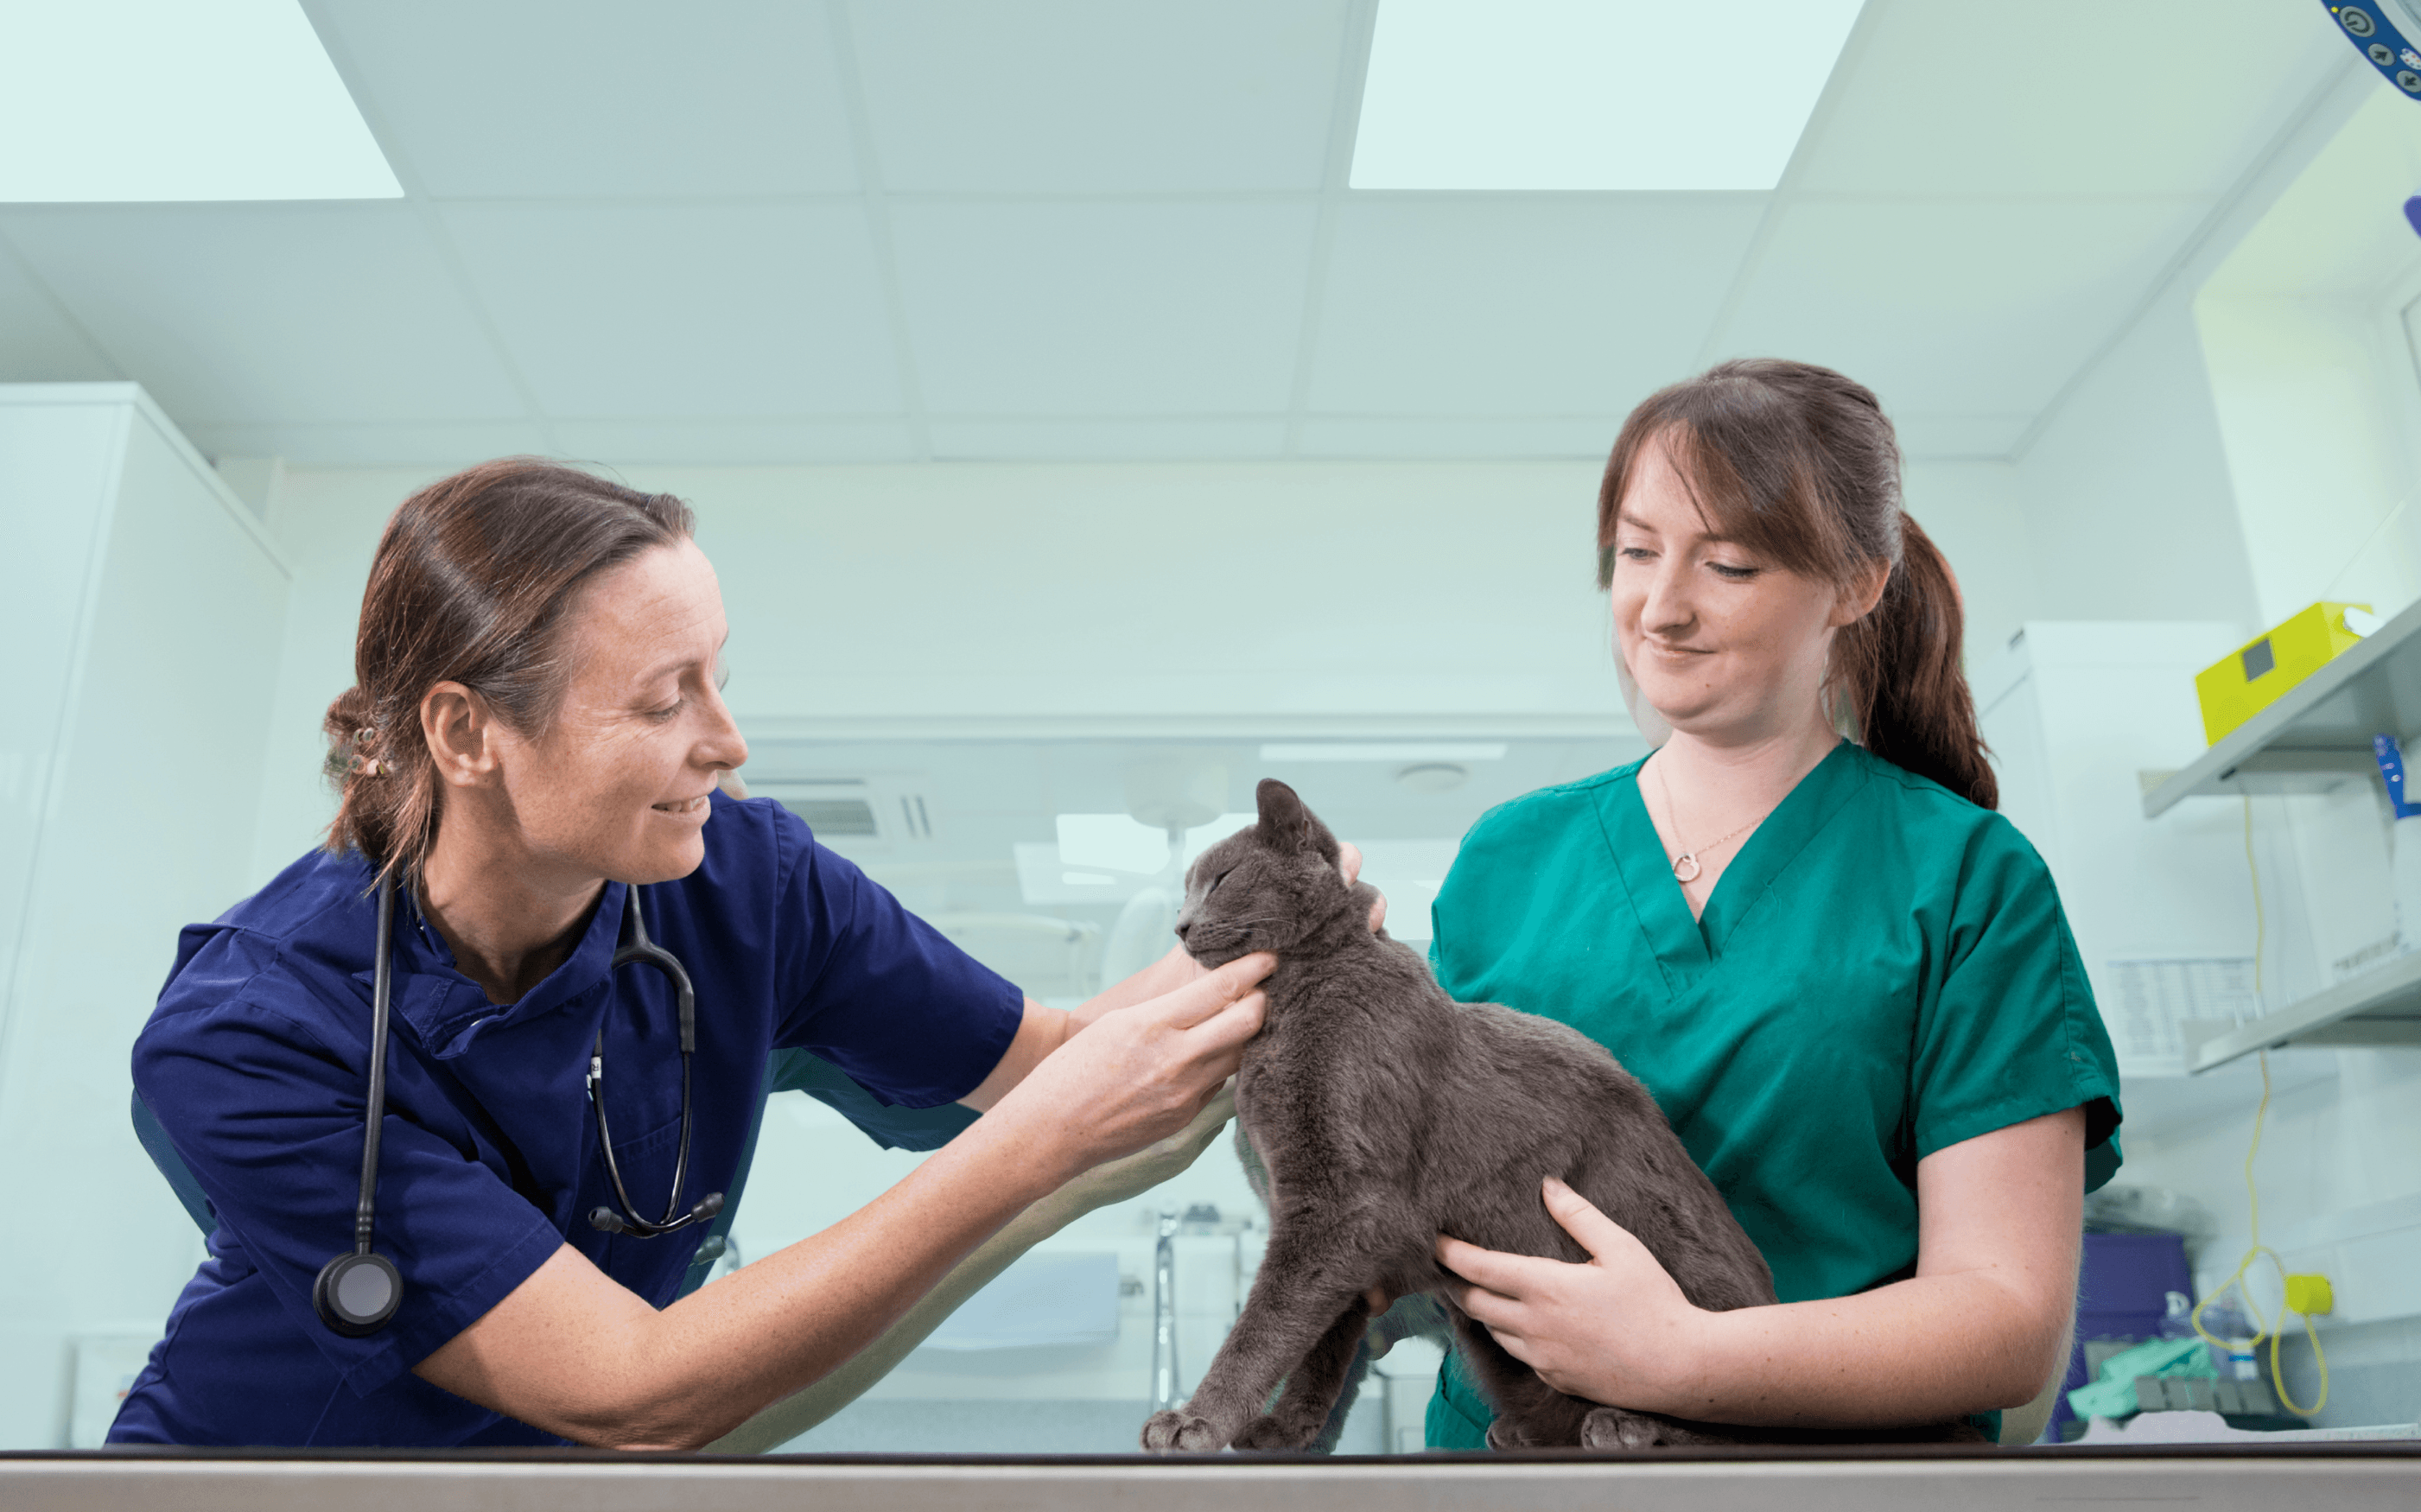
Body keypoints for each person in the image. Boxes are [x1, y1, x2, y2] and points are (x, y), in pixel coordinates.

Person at [112, 459, 1369, 1449]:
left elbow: (1048, 1056)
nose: (729, 740)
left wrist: (1280, 940)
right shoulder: (251, 1031)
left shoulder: (744, 880)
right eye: (666, 700)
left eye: (721, 678)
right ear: (468, 731)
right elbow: (629, 1387)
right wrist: (1041, 1152)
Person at [1420, 359, 2120, 1447]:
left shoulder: (1968, 880)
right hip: (1516, 1477)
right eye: (1637, 553)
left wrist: (1679, 1359)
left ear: (1855, 585)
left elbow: (2008, 1318)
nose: (1662, 608)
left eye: (1731, 564)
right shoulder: (1507, 861)